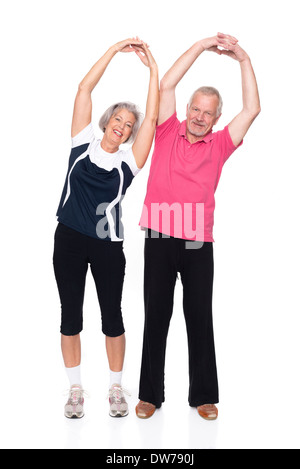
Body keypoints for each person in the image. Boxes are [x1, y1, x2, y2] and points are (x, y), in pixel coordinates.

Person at [136, 33, 260, 420]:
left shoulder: (221, 144)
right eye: (196, 109)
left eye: (208, 113)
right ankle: (149, 396)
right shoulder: (166, 130)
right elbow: (166, 84)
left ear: (216, 118)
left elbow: (253, 109)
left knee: (198, 316)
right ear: (187, 108)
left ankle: (204, 395)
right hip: (159, 235)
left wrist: (242, 57)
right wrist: (203, 45)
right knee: (156, 315)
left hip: (197, 242)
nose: (200, 117)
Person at [53, 38, 159, 419]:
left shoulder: (128, 164)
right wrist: (114, 51)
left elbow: (152, 119)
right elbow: (84, 88)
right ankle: (76, 390)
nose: (123, 126)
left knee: (112, 316)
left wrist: (152, 70)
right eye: (118, 120)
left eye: (128, 125)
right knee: (70, 315)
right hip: (68, 239)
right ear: (107, 121)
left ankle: (116, 389)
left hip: (107, 247)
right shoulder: (82, 142)